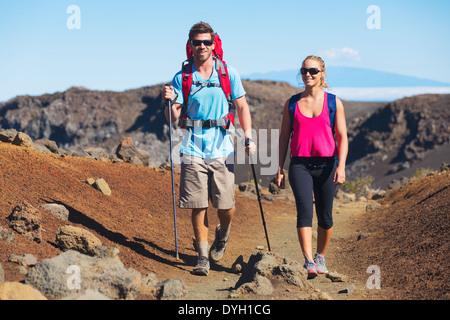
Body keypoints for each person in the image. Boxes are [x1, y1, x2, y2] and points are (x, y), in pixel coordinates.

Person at [162, 22, 255, 276]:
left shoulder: (227, 73)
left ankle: (223, 231)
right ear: (189, 46)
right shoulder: (182, 77)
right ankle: (203, 258)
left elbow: (242, 106)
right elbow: (174, 117)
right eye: (196, 43)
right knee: (198, 204)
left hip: (222, 146)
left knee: (226, 206)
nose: (201, 46)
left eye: (206, 42)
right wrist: (170, 102)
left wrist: (248, 135)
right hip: (192, 146)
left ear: (214, 45)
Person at [276, 55, 348, 278]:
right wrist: (279, 168)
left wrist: (341, 166)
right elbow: (283, 138)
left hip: (327, 164)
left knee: (325, 215)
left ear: (322, 73)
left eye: (313, 71)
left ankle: (320, 256)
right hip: (300, 165)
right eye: (304, 70)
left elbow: (343, 137)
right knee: (304, 212)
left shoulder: (334, 103)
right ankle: (308, 260)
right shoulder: (292, 103)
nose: (308, 74)